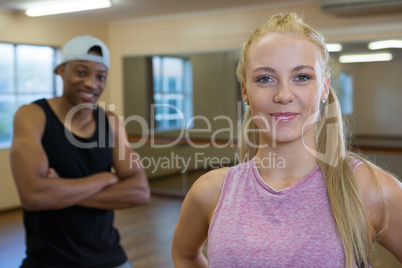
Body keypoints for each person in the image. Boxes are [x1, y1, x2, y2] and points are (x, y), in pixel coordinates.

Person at [171, 13, 402, 268]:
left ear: (324, 87)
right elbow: (185, 255)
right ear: (245, 91)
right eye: (265, 79)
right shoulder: (211, 191)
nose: (283, 95)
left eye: (302, 77)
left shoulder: (369, 189)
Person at [10, 35, 150, 268]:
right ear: (61, 70)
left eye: (100, 76)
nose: (91, 84)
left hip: (111, 259)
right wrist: (105, 178)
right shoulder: (33, 115)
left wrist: (60, 190)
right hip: (49, 261)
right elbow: (34, 196)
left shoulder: (111, 122)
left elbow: (139, 192)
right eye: (81, 72)